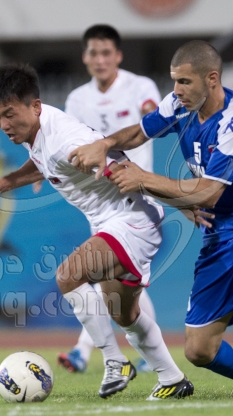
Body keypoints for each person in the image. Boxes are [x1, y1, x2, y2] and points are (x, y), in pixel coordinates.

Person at [69, 40, 233, 400]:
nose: (176, 90)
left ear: (211, 79)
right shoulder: (180, 105)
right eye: (174, 80)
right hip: (219, 232)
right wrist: (105, 144)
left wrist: (145, 179)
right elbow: (139, 132)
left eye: (184, 81)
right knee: (198, 350)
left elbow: (208, 193)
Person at [0, 63, 194, 400]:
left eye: (9, 114)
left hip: (132, 219)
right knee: (124, 313)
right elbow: (43, 162)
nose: (3, 125)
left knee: (68, 276)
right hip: (112, 223)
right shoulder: (36, 128)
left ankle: (114, 361)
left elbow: (125, 170)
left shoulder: (66, 139)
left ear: (34, 106)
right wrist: (1, 184)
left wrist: (183, 201)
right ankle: (172, 379)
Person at [57, 24, 161, 374]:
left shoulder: (140, 87)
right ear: (85, 57)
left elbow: (153, 120)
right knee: (126, 281)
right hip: (100, 202)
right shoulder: (77, 100)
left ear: (118, 56)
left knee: (109, 277)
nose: (100, 60)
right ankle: (151, 356)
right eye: (93, 53)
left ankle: (83, 352)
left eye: (106, 53)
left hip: (135, 199)